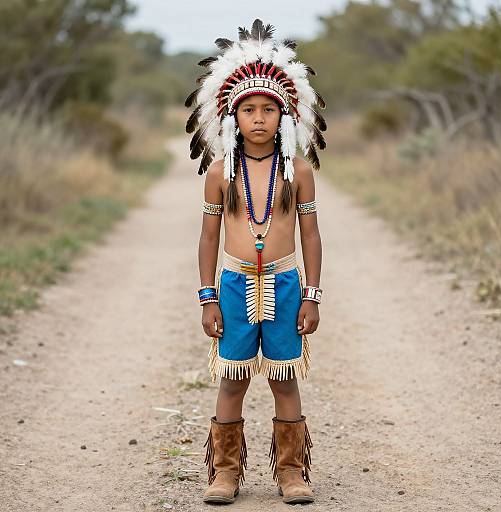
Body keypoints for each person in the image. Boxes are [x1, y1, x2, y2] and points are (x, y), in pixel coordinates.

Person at [185, 19, 326, 505]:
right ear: (232, 116)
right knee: (233, 379)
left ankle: (291, 473)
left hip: (286, 285)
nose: (259, 118)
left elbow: (310, 233)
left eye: (269, 109)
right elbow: (208, 236)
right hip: (233, 286)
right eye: (249, 109)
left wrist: (312, 294)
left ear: (284, 117)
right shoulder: (221, 173)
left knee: (285, 379)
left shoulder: (299, 171)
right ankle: (225, 472)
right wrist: (208, 297)